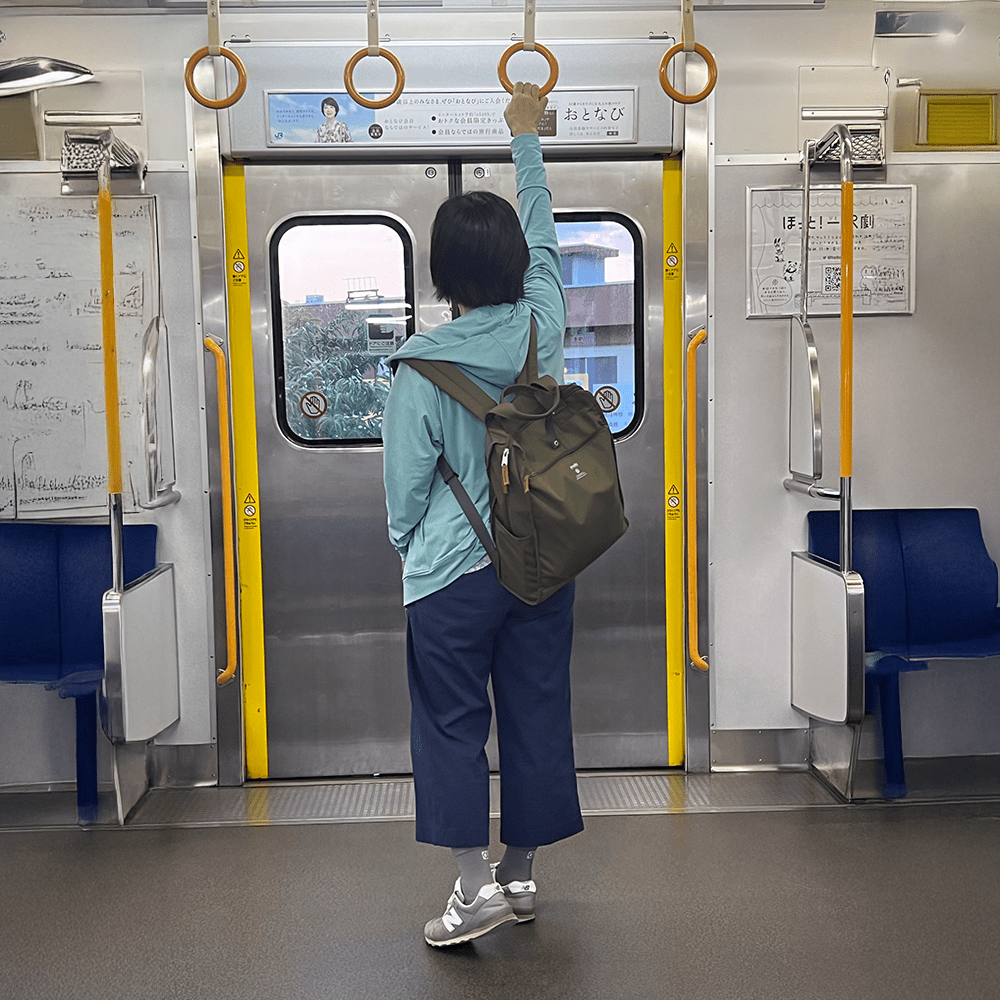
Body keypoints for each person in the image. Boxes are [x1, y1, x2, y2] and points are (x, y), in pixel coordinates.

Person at [382, 82, 583, 948]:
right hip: (542, 562)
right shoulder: (543, 326)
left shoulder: (419, 368)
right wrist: (525, 137)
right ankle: (524, 874)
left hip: (451, 579)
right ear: (512, 268)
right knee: (538, 711)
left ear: (442, 278)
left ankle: (473, 892)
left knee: (451, 724)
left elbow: (404, 498)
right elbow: (543, 230)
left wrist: (415, 551)